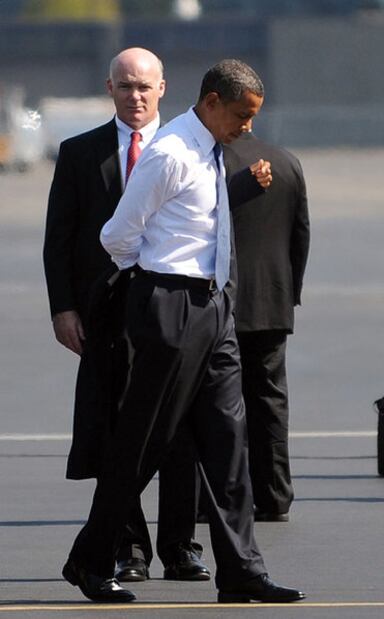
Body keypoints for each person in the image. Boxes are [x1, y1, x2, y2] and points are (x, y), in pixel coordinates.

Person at [61, 58, 306, 604]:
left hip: (215, 308)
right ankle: (91, 558)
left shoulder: (210, 147)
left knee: (228, 443)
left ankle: (241, 568)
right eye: (241, 116)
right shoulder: (169, 153)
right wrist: (156, 283)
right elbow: (117, 236)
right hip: (170, 306)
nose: (248, 128)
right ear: (213, 103)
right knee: (142, 441)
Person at [43, 47, 210, 584]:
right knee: (117, 429)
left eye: (144, 87)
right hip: (107, 316)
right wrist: (63, 308)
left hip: (175, 311)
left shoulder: (193, 147)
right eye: (124, 86)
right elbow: (60, 239)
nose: (135, 97)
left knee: (180, 429)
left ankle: (181, 546)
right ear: (108, 89)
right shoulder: (79, 153)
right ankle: (128, 549)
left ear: (163, 88)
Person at [224, 127, 310, 522]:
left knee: (213, 404)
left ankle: (219, 495)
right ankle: (275, 494)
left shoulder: (208, 163)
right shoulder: (287, 162)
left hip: (218, 300)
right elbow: (300, 234)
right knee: (270, 401)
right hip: (272, 300)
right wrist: (289, 290)